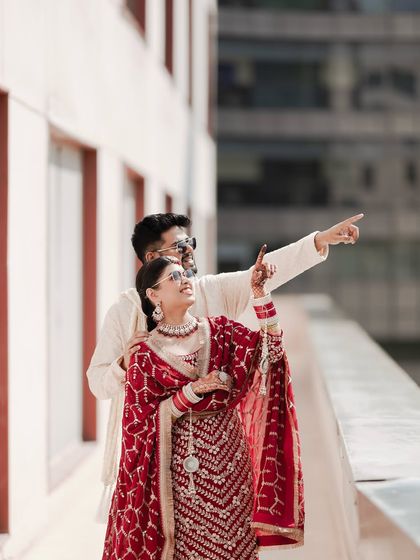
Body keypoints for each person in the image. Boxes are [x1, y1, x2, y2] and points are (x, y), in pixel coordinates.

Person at [88, 212, 363, 518]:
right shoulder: (124, 313)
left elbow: (262, 274)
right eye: (180, 247)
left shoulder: (210, 292)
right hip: (154, 461)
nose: (189, 251)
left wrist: (319, 240)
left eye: (191, 243)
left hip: (220, 461)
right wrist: (125, 363)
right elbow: (98, 383)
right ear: (152, 257)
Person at [102, 248, 304, 559]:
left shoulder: (221, 331)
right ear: (154, 295)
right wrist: (192, 392)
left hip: (233, 466)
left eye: (184, 273)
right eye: (174, 277)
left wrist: (260, 295)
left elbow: (271, 352)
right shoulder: (144, 356)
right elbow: (137, 426)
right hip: (183, 479)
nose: (185, 280)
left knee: (237, 548)